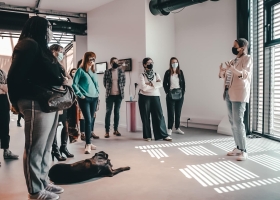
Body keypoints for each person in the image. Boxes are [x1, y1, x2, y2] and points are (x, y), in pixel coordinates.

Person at [8, 16, 65, 200]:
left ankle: (42, 180)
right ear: (40, 27)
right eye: (49, 27)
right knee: (35, 148)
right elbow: (14, 78)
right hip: (34, 101)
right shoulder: (28, 44)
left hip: (48, 102)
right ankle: (34, 191)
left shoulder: (41, 48)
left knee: (46, 146)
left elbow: (52, 74)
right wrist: (16, 103)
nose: (51, 31)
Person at [219, 38, 252, 161]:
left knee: (238, 122)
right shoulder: (233, 60)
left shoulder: (247, 59)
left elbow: (244, 75)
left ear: (242, 48)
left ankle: (244, 150)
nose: (233, 48)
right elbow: (228, 76)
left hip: (239, 93)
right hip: (228, 92)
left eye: (235, 46)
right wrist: (222, 72)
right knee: (232, 122)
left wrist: (232, 69)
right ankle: (238, 147)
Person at [138, 57, 172, 142]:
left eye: (152, 62)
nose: (151, 64)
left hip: (155, 96)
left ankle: (163, 135)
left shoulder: (156, 74)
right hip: (144, 97)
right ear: (144, 64)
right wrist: (154, 86)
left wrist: (149, 83)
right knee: (145, 117)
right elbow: (143, 87)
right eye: (149, 63)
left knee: (159, 115)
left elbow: (160, 84)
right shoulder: (141, 75)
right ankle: (147, 136)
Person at [49, 44, 74, 161]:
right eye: (61, 52)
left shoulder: (60, 65)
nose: (62, 54)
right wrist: (63, 81)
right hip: (54, 98)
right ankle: (55, 150)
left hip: (63, 98)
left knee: (65, 125)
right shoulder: (48, 64)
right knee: (54, 126)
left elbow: (69, 79)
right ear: (53, 51)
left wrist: (66, 81)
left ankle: (64, 147)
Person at [72, 52, 99, 154]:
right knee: (87, 120)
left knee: (91, 121)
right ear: (86, 59)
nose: (92, 61)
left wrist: (98, 92)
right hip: (85, 99)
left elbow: (96, 84)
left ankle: (90, 142)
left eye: (93, 59)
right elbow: (74, 84)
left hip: (94, 98)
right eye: (90, 59)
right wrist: (80, 95)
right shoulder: (80, 71)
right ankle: (87, 144)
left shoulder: (93, 71)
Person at [103, 57, 126, 138]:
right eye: (113, 62)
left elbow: (124, 82)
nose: (115, 63)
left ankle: (115, 130)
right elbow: (104, 83)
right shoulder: (107, 72)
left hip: (119, 95)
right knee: (108, 112)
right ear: (110, 63)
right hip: (109, 95)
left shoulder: (121, 71)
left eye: (116, 61)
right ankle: (107, 131)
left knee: (117, 112)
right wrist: (110, 90)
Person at [0, 69, 19, 164]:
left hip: (3, 100)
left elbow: (8, 88)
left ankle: (6, 151)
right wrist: (2, 86)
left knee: (5, 126)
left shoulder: (2, 72)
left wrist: (3, 87)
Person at [163, 57, 186, 136]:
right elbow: (164, 83)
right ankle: (169, 128)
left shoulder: (180, 72)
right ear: (170, 63)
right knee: (171, 113)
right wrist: (167, 92)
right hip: (170, 95)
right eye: (173, 62)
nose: (175, 63)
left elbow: (183, 83)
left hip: (180, 94)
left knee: (178, 112)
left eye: (176, 62)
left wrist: (183, 92)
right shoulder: (168, 72)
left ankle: (177, 127)